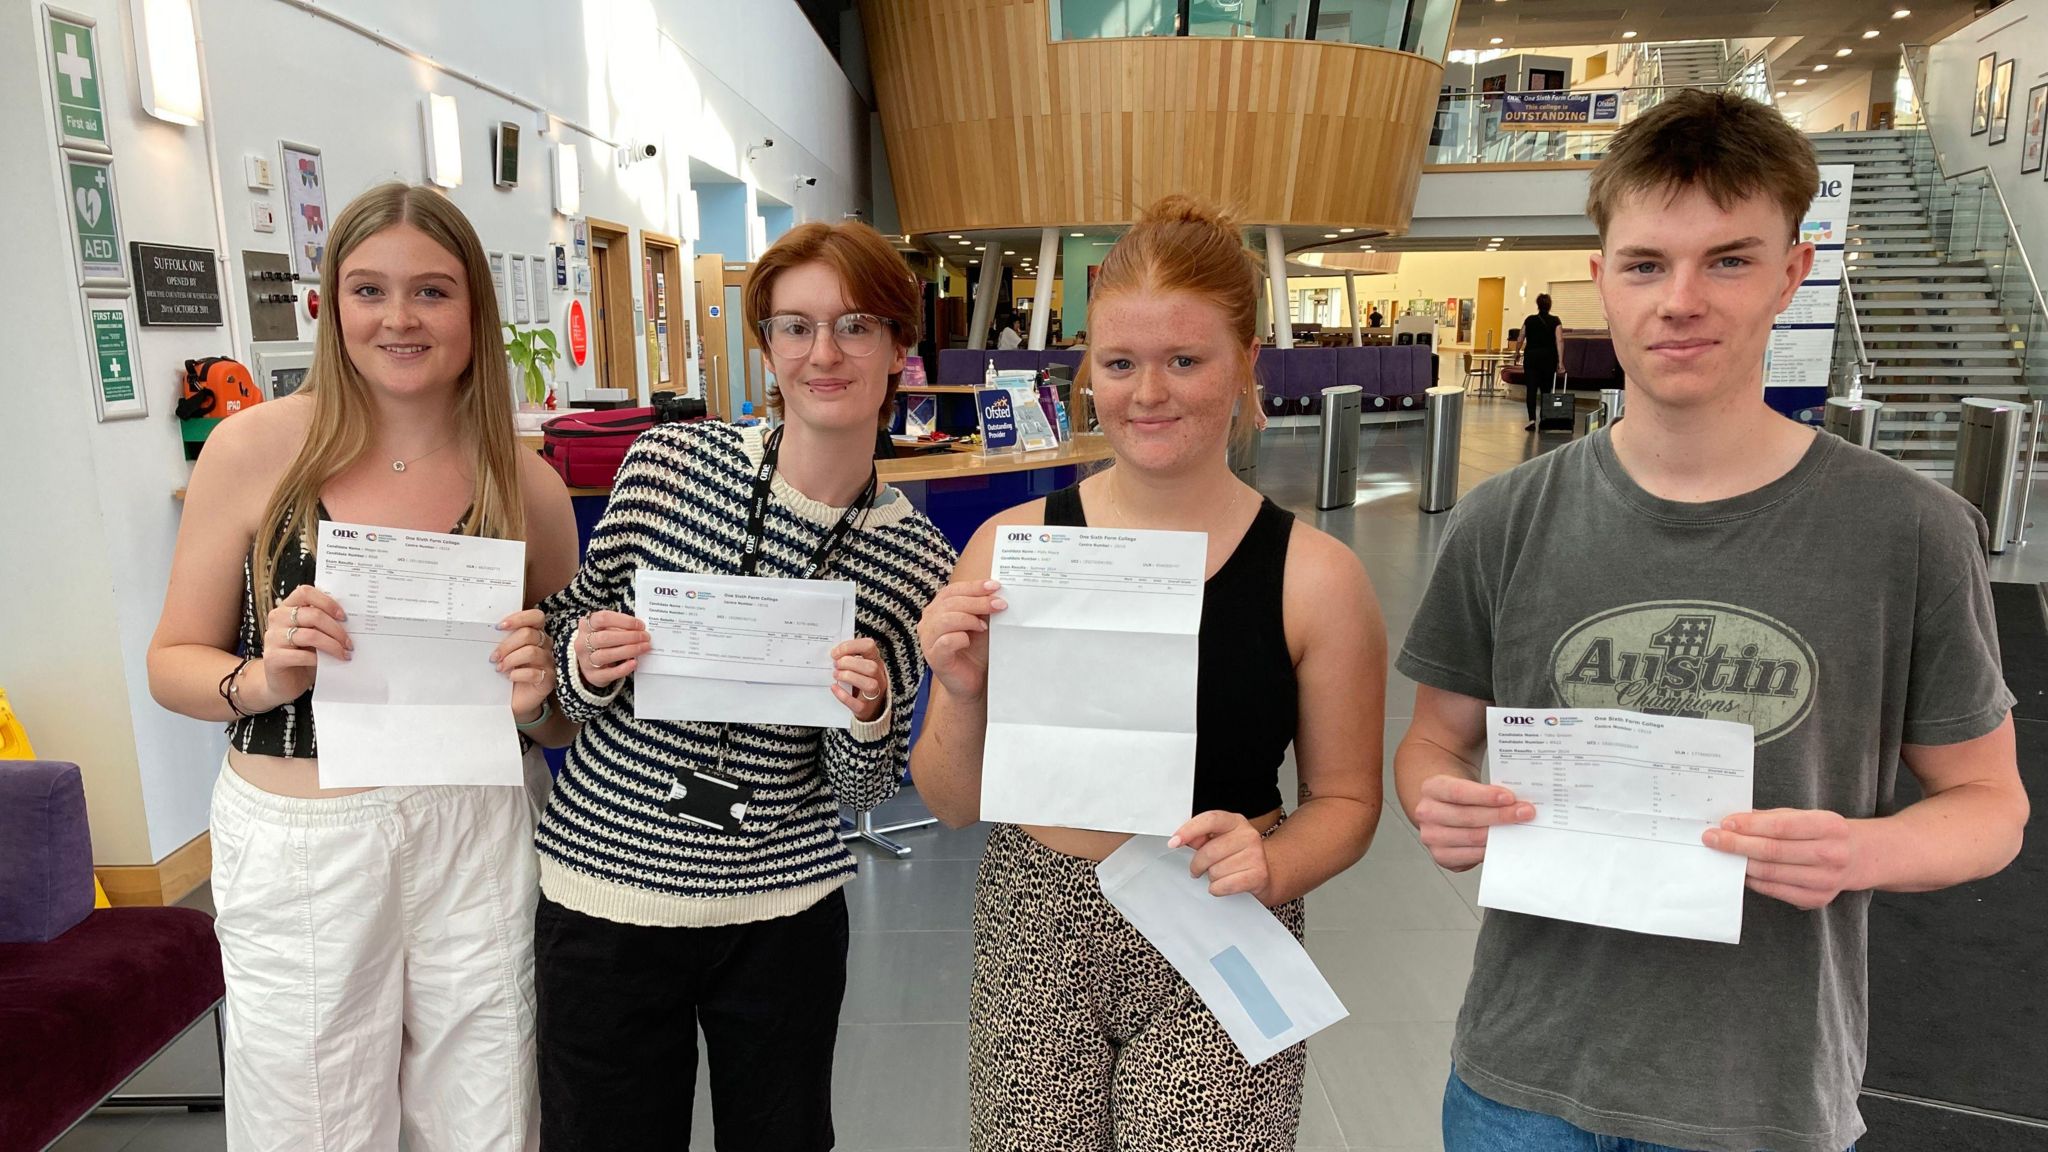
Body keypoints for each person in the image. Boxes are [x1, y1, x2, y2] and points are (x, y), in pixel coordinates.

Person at [1393, 90, 2027, 1152]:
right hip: (1522, 1083)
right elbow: (1431, 739)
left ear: (1791, 271)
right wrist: (1440, 802)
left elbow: (1986, 805)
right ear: (1600, 278)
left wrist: (1859, 853)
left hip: (1760, 1099)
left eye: (1726, 260)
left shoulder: (1907, 532)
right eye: (1645, 263)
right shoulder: (1502, 520)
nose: (1679, 299)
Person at [913, 194, 1387, 1151]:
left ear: (1247, 363)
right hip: (1038, 915)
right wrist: (962, 693)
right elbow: (954, 802)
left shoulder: (1315, 578)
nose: (1149, 393)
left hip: (1220, 912)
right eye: (1122, 364)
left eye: (1185, 360)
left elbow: (1346, 800)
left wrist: (1276, 864)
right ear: (1090, 368)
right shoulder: (1013, 549)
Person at [147, 182, 580, 1150]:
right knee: (310, 1122)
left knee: (487, 1113)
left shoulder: (527, 484)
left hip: (478, 824)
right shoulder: (255, 447)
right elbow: (172, 660)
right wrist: (263, 679)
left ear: (474, 306)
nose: (398, 318)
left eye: (431, 291)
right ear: (329, 306)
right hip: (305, 836)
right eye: (367, 289)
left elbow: (562, 723)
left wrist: (543, 695)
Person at [531, 219, 956, 1151]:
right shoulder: (668, 465)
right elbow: (568, 624)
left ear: (898, 350)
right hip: (609, 894)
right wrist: (586, 663)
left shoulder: (917, 561)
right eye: (795, 327)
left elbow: (860, 790)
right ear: (766, 346)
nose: (823, 354)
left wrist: (870, 714)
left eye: (855, 326)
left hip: (783, 913)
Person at [1515, 292, 1563, 431]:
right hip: (1549, 358)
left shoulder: (1529, 320)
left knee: (1531, 389)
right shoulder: (1555, 321)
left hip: (1531, 358)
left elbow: (1520, 337)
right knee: (1546, 390)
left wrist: (1517, 352)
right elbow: (1559, 340)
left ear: (1537, 305)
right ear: (1549, 305)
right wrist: (1561, 362)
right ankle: (1544, 419)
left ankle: (1531, 420)